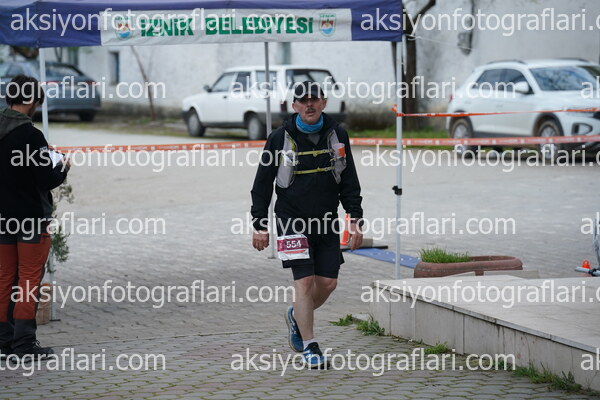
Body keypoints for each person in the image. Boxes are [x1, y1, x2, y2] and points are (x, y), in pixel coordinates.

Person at [251, 81, 363, 368]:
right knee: (304, 281)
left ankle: (295, 315)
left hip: (326, 220)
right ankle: (311, 345)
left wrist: (355, 219)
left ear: (324, 103)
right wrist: (260, 223)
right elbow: (262, 183)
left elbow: (349, 180)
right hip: (291, 220)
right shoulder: (279, 138)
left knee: (328, 283)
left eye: (314, 99)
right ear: (295, 106)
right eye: (303, 100)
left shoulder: (337, 134)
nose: (309, 104)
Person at [0, 75, 70, 360]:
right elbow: (46, 179)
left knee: (4, 278)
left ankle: (4, 343)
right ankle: (24, 345)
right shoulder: (31, 136)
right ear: (30, 100)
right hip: (30, 219)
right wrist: (62, 166)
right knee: (29, 279)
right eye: (38, 102)